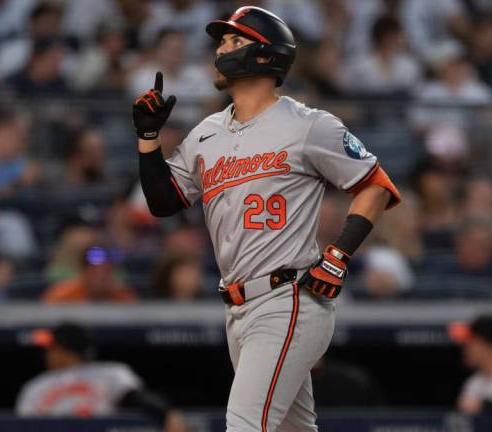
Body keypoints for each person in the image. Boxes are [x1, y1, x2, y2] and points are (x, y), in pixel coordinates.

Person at [132, 6, 401, 432]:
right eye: (221, 41)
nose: (221, 49)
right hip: (237, 306)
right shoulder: (206, 133)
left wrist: (339, 255)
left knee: (245, 424)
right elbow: (164, 201)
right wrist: (148, 140)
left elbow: (376, 185)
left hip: (288, 296)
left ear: (264, 55)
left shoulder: (308, 125)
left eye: (233, 41)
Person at [17, 323, 187, 432]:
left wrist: (166, 413)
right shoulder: (35, 387)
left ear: (69, 352)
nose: (48, 354)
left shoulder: (108, 373)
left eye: (54, 348)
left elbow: (137, 397)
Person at [42, 246, 136, 303]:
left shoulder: (122, 296)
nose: (102, 276)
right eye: (95, 271)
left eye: (106, 271)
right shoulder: (61, 296)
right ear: (84, 271)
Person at [451, 315, 492, 415]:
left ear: (487, 345)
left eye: (471, 342)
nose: (465, 348)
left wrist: (484, 406)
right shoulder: (474, 383)